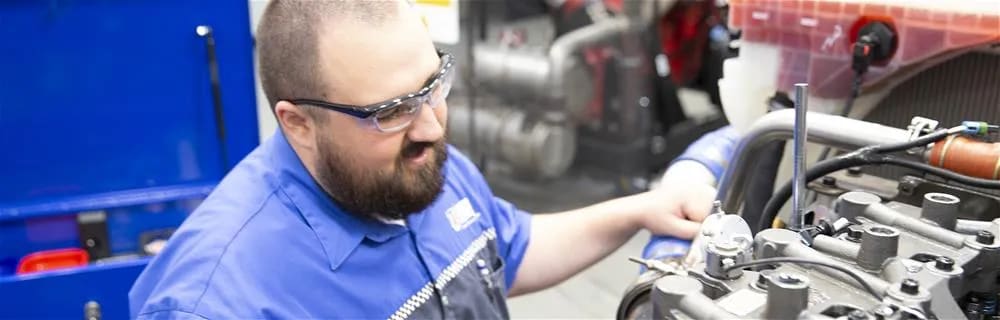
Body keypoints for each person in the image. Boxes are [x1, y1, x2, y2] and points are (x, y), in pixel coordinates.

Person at [128, 1, 715, 319]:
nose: (434, 126)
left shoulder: (414, 160)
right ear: (299, 123)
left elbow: (505, 248)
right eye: (391, 110)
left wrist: (643, 210)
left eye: (433, 84)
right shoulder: (219, 299)